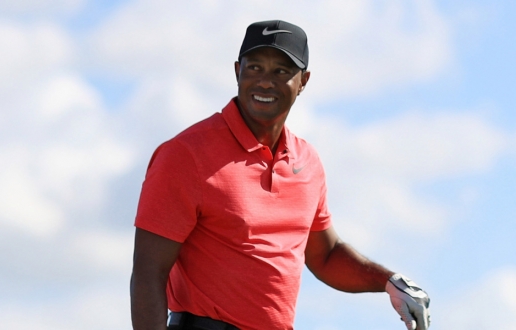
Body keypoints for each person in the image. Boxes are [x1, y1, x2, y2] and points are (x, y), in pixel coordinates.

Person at [130, 20, 431, 330]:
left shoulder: (307, 160)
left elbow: (325, 255)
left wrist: (388, 281)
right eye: (255, 68)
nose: (264, 82)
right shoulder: (185, 155)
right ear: (237, 71)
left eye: (281, 72)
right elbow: (148, 273)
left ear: (304, 81)